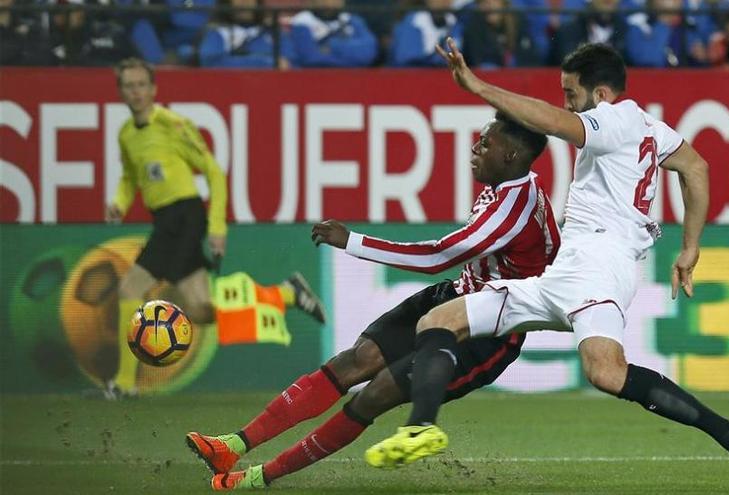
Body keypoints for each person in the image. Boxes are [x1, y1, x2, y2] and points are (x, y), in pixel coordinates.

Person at [365, 40, 729, 495]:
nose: (567, 103)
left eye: (571, 93)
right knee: (441, 320)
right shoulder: (651, 128)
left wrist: (476, 86)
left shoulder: (615, 117)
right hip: (567, 271)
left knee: (604, 372)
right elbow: (696, 168)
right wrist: (689, 248)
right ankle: (422, 428)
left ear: (600, 94)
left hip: (601, 267)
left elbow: (551, 121)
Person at [184, 112, 561, 490]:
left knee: (376, 393)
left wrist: (352, 241)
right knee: (355, 360)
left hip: (486, 332)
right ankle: (232, 445)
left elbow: (435, 257)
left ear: (511, 155)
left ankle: (254, 479)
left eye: (485, 143)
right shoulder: (506, 183)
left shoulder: (517, 208)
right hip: (454, 298)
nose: (475, 148)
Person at [106, 58, 325, 398]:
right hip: (166, 220)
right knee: (199, 309)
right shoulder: (126, 135)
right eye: (128, 86)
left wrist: (217, 225)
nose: (135, 92)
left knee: (129, 289)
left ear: (153, 89)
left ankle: (123, 383)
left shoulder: (172, 125)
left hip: (184, 217)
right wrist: (119, 203)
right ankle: (287, 293)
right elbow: (129, 178)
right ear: (121, 92)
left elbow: (212, 171)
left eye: (140, 85)